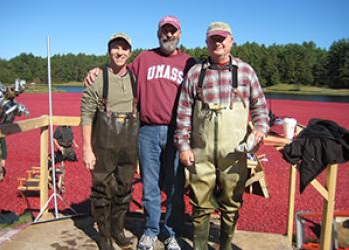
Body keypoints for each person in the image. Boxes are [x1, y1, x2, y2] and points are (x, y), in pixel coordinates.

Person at [84, 16, 196, 250]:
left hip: (177, 132)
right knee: (150, 186)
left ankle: (171, 232)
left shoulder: (189, 62)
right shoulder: (144, 58)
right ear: (158, 33)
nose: (168, 35)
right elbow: (119, 71)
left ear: (179, 34)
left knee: (175, 187)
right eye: (164, 31)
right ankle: (151, 230)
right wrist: (97, 70)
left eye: (172, 31)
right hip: (146, 131)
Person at [174, 21, 270, 250]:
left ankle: (225, 245)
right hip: (201, 152)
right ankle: (199, 246)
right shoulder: (195, 73)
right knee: (200, 204)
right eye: (213, 39)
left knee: (231, 204)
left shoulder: (245, 71)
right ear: (206, 42)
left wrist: (259, 129)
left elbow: (260, 107)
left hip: (234, 153)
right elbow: (184, 112)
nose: (218, 43)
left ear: (231, 41)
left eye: (222, 38)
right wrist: (183, 146)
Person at [81, 32, 139, 250]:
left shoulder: (135, 78)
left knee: (125, 188)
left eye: (124, 49)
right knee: (102, 190)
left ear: (130, 53)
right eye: (116, 47)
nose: (120, 52)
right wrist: (87, 148)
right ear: (109, 50)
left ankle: (118, 229)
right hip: (103, 144)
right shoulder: (98, 78)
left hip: (128, 144)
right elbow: (86, 113)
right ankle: (104, 236)